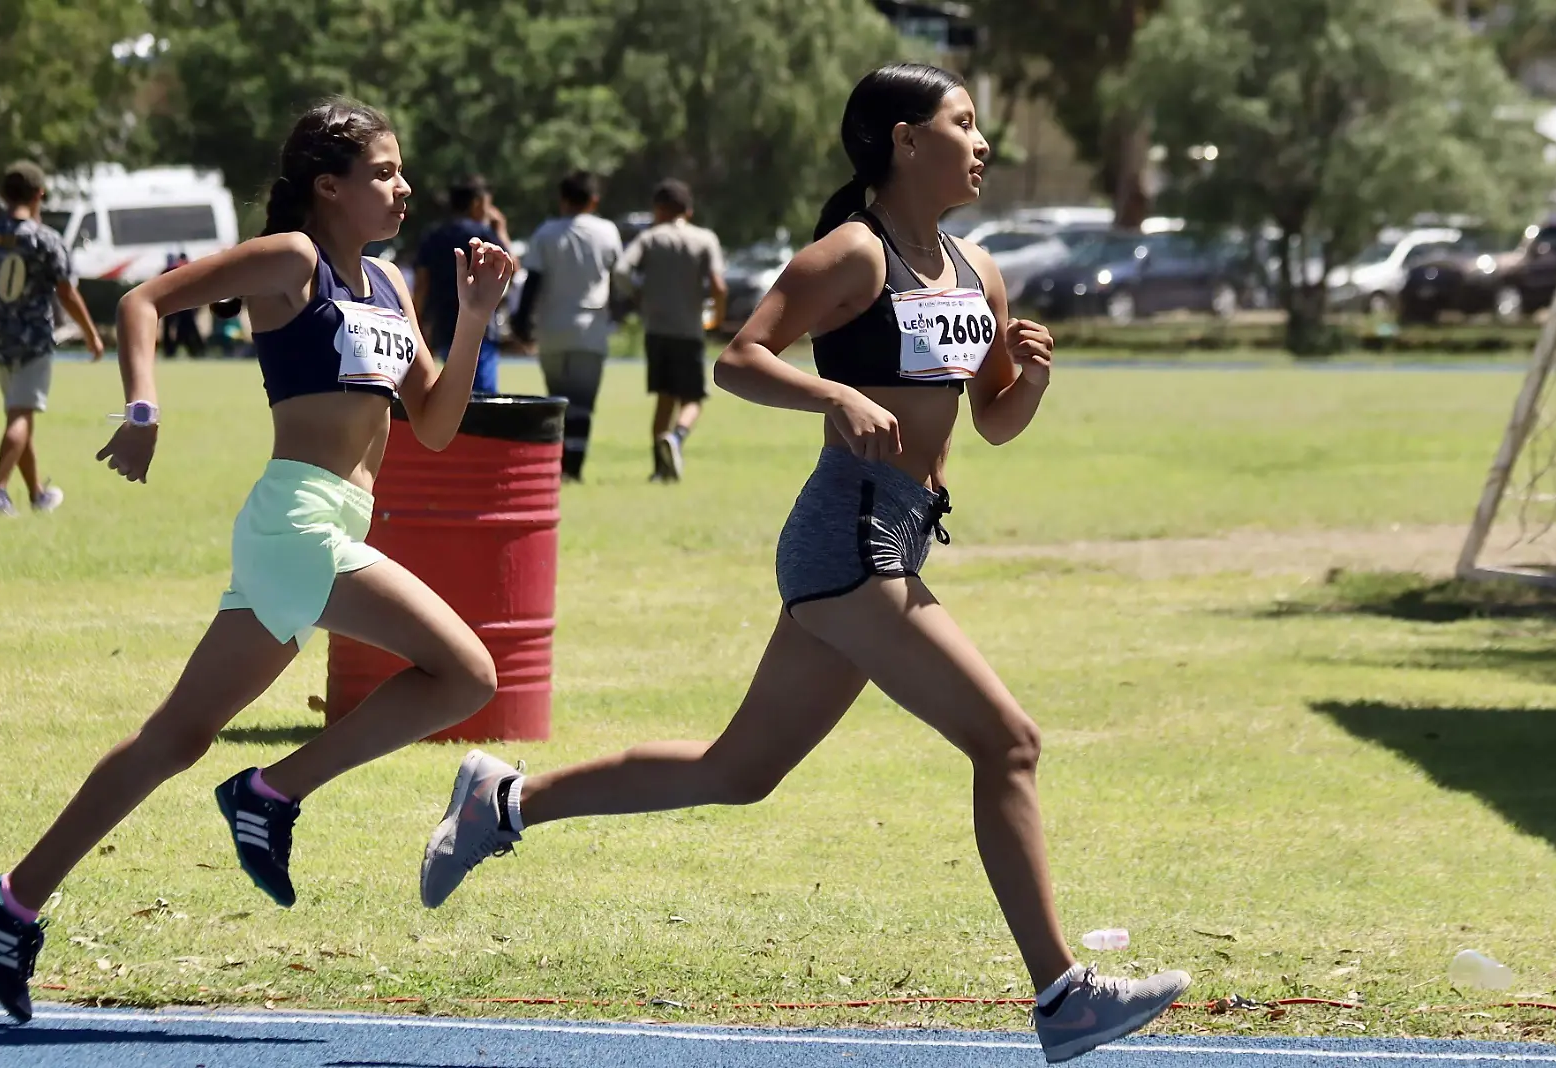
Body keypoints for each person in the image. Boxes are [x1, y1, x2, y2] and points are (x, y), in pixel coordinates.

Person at [416, 64, 1191, 1064]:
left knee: (735, 772)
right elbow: (740, 355)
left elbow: (991, 423)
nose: (983, 141)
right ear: (904, 141)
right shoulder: (851, 258)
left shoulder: (977, 270)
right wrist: (832, 400)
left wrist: (1030, 381)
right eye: (963, 123)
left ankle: (503, 803)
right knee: (1007, 742)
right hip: (848, 539)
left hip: (899, 531)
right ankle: (1062, 993)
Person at [0, 97, 516, 1024]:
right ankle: (270, 792)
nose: (402, 186)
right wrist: (142, 409)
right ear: (327, 188)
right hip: (298, 523)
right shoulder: (291, 260)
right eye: (382, 172)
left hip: (324, 529)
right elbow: (143, 301)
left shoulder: (389, 284)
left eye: (401, 169)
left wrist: (472, 323)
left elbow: (438, 423)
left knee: (172, 740)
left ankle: (11, 900)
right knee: (466, 674)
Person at [0, 160, 105, 516]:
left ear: (2, 195)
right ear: (39, 194)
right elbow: (66, 291)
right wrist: (91, 334)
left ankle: (36, 494)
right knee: (20, 414)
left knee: (19, 412)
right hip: (33, 338)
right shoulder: (45, 239)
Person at [511, 171, 623, 481]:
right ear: (594, 200)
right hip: (591, 325)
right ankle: (575, 466)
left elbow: (533, 281)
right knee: (583, 404)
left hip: (552, 326)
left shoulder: (546, 233)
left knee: (558, 399)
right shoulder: (607, 231)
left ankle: (558, 464)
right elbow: (618, 277)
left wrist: (521, 323)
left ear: (562, 199)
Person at [615, 178, 726, 482]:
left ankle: (659, 469)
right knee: (693, 399)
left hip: (656, 330)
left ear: (659, 209)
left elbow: (622, 271)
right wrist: (717, 317)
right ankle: (676, 438)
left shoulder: (650, 238)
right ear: (687, 211)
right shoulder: (704, 239)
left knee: (664, 399)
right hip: (689, 329)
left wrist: (640, 296)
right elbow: (718, 285)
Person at [414, 175, 508, 393]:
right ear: (477, 202)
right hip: (481, 325)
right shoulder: (484, 234)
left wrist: (418, 319)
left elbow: (421, 283)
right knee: (483, 394)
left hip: (444, 324)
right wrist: (501, 228)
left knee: (455, 387)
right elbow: (511, 268)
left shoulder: (433, 234)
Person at [160, 250, 207, 358]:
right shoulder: (186, 268)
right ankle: (195, 350)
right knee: (188, 327)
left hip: (174, 304)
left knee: (179, 328)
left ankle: (173, 351)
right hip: (185, 304)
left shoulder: (169, 270)